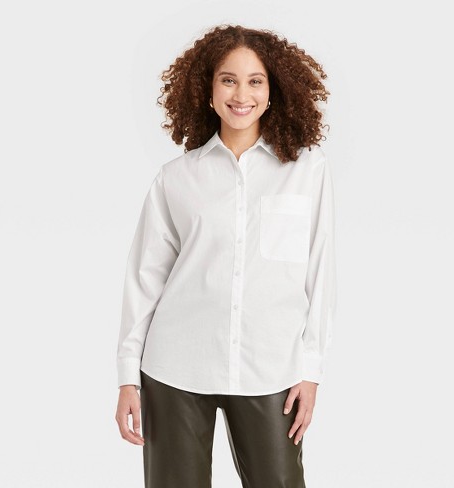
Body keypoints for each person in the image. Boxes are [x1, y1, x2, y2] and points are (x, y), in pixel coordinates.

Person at [115, 23, 337, 488]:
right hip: (176, 367)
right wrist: (127, 378)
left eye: (255, 81)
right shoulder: (176, 178)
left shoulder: (307, 171)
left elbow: (320, 272)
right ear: (209, 91)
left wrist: (311, 370)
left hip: (271, 369)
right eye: (228, 80)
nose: (241, 94)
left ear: (272, 92)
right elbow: (145, 279)